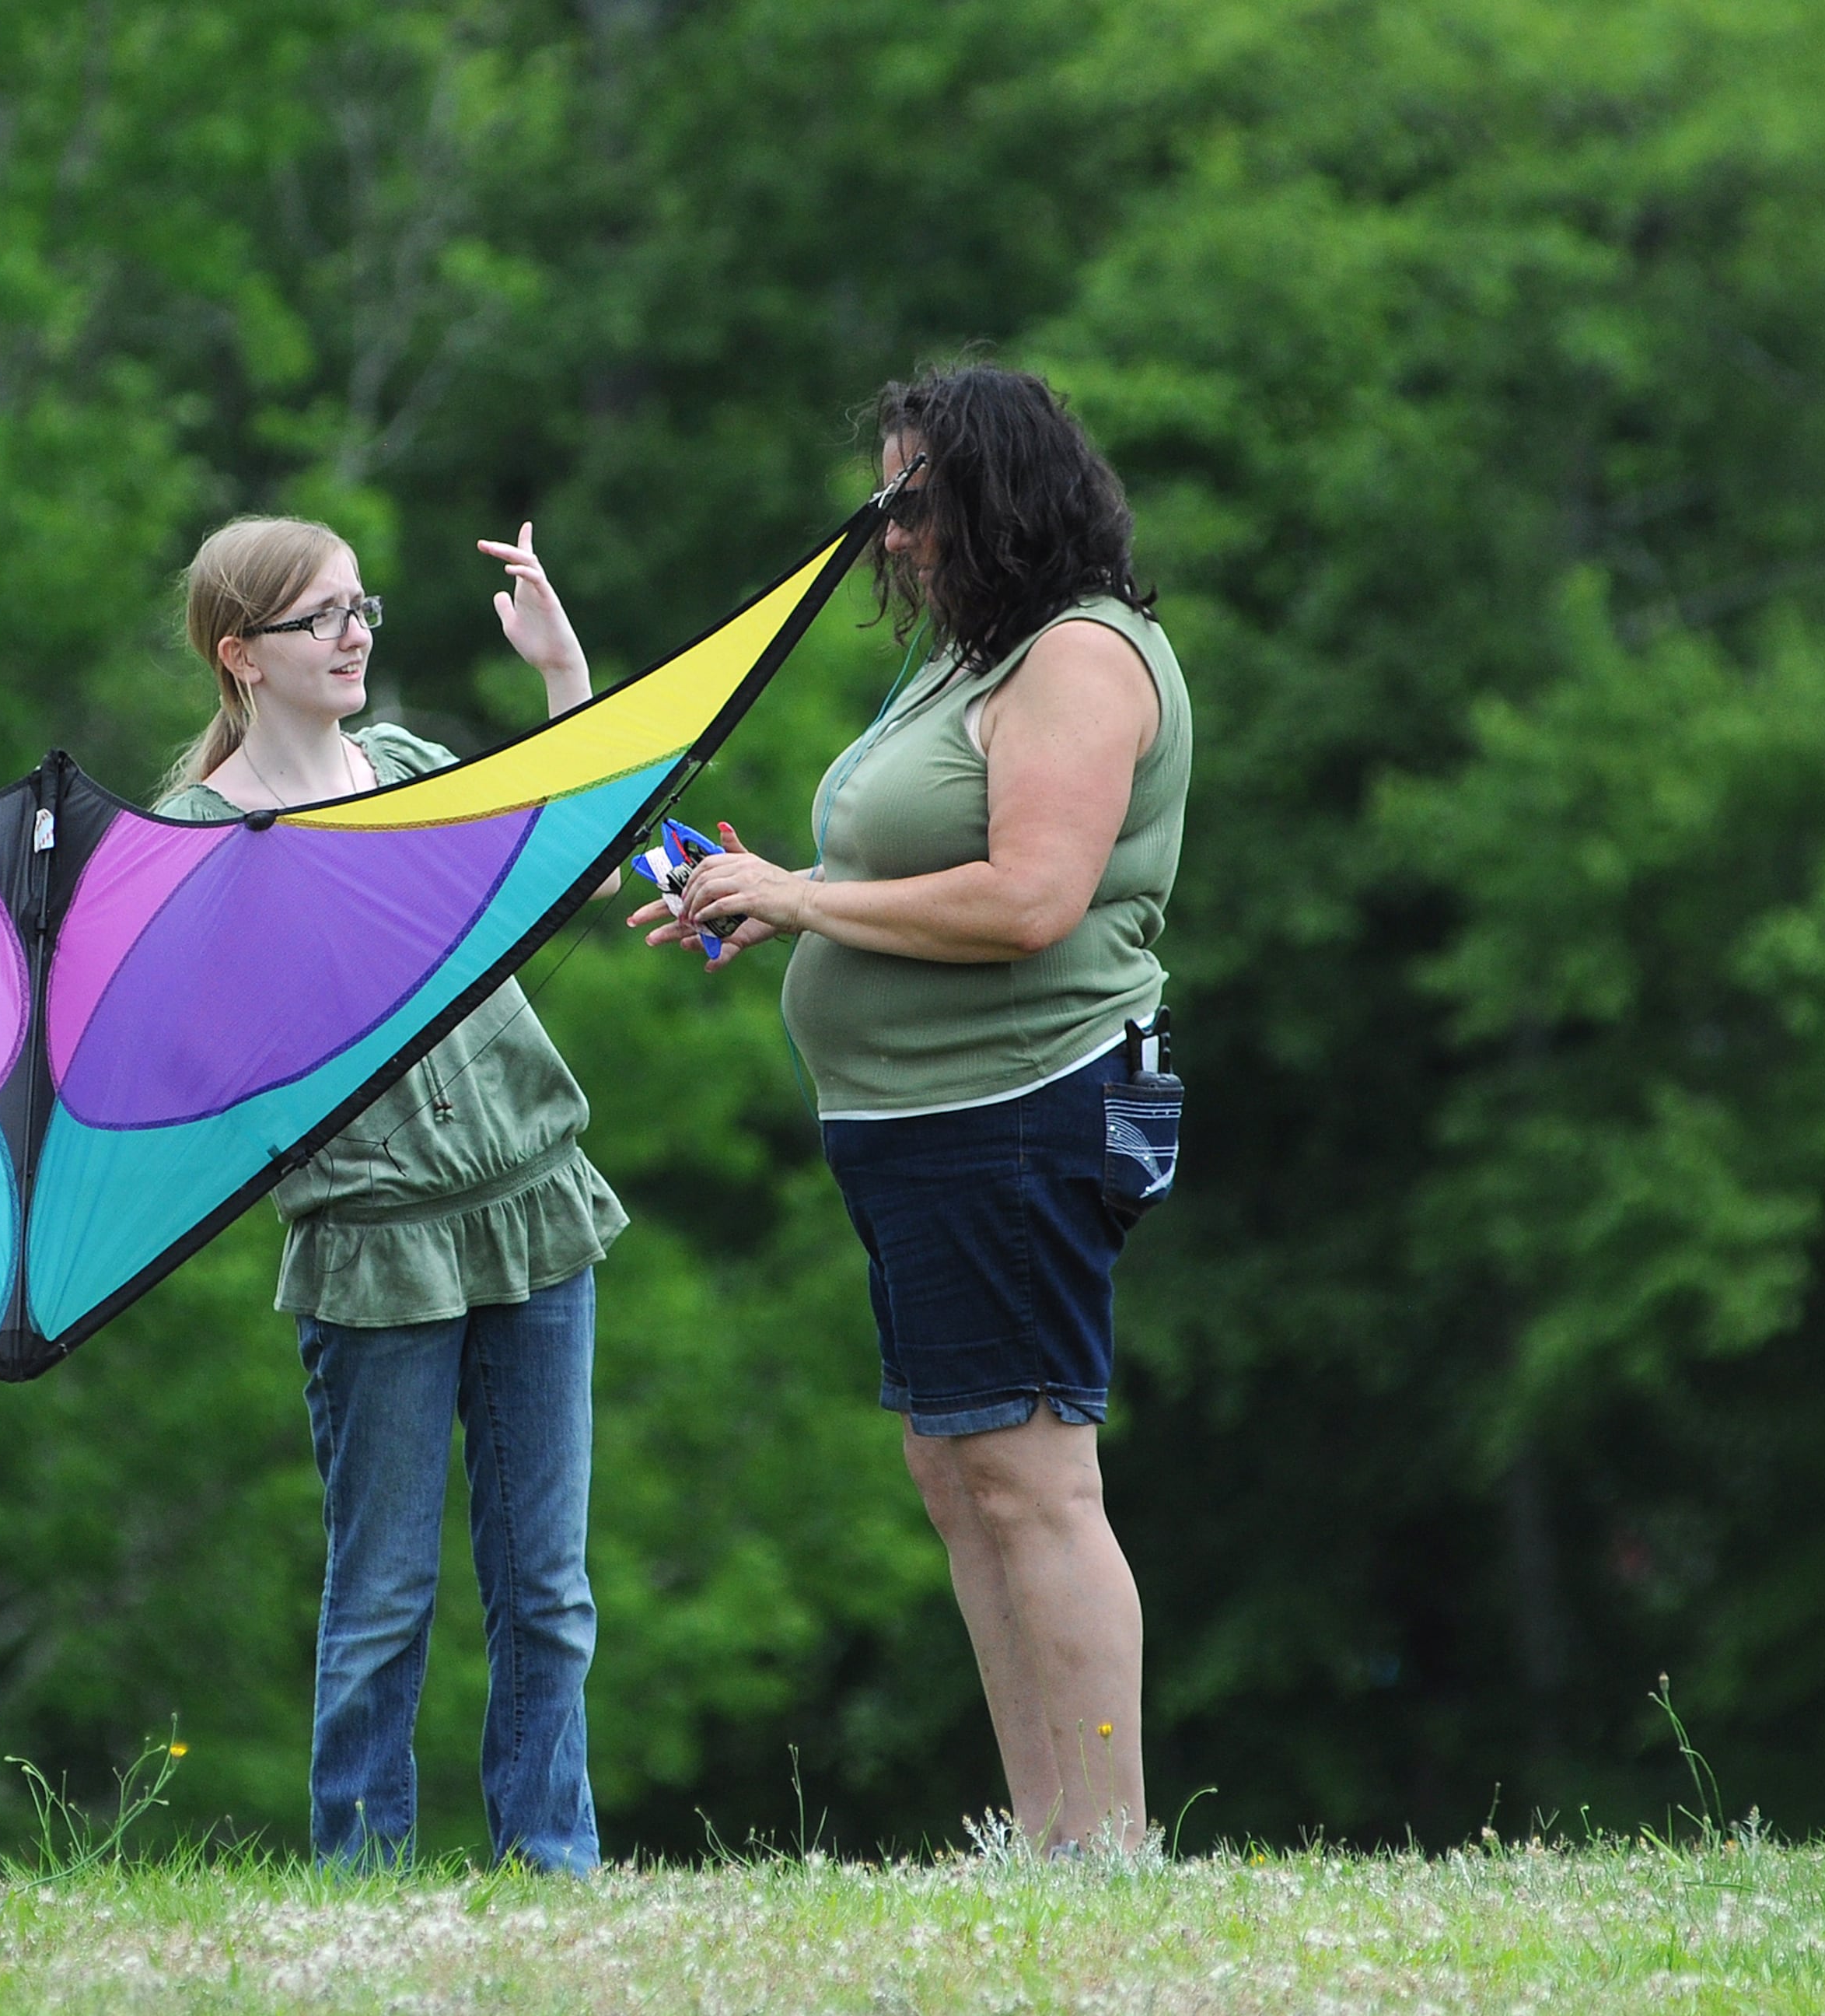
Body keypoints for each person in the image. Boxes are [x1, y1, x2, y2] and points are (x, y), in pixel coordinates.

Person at [632, 364, 1190, 1852]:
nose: (890, 533)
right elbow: (909, 876)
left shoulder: (1077, 658)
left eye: (914, 501)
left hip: (1021, 1110)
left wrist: (805, 896)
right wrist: (781, 906)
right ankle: (1049, 1835)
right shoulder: (967, 659)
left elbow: (1030, 899)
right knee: (960, 1472)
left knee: (1031, 1475)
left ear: (1001, 496)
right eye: (885, 501)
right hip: (922, 1126)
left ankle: (1109, 1852)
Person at [154, 514, 627, 1874]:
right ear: (242, 657)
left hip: (534, 1205)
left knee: (548, 1589)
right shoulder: (188, 843)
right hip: (372, 1246)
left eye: (364, 608)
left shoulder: (415, 770)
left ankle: (555, 1861)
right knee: (384, 1596)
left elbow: (571, 852)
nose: (356, 635)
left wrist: (561, 677)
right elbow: (174, 1059)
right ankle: (359, 1883)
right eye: (322, 619)